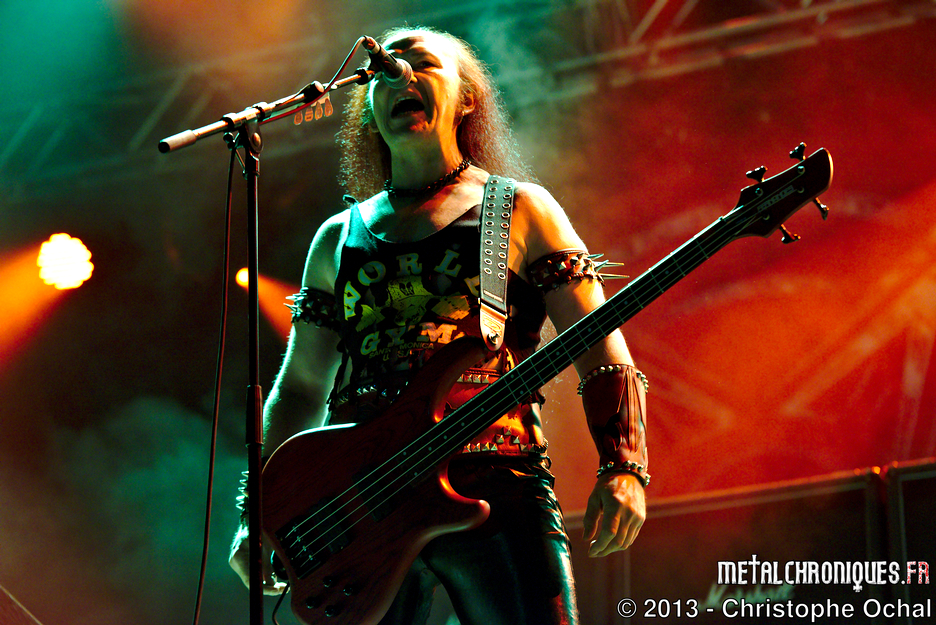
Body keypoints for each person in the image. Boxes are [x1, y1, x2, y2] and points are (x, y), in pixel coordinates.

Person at [229, 26, 649, 625]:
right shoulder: (337, 238)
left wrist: (624, 465)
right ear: (368, 110)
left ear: (466, 98)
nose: (397, 72)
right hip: (361, 503)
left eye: (422, 63)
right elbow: (299, 387)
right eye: (382, 71)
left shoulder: (520, 209)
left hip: (495, 482)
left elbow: (599, 347)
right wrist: (258, 515)